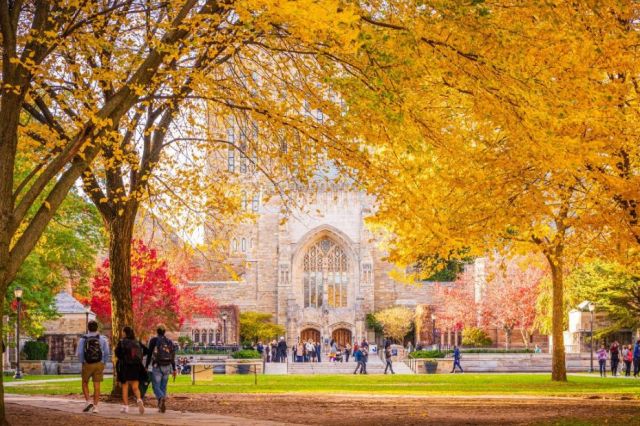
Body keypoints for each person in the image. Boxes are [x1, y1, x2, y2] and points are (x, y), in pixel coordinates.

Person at [77, 320, 110, 413]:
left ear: (88, 328)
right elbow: (107, 352)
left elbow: (79, 353)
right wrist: (104, 362)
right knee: (97, 385)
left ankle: (88, 401)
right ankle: (95, 407)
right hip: (99, 363)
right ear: (97, 328)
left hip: (87, 363)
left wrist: (82, 362)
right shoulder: (102, 338)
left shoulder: (83, 339)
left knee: (84, 382)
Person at [146, 325, 176, 413]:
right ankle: (161, 405)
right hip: (167, 366)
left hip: (157, 366)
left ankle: (161, 397)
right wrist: (174, 368)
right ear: (164, 331)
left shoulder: (154, 340)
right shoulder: (169, 341)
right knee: (163, 386)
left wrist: (146, 365)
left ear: (157, 331)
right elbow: (172, 355)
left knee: (155, 386)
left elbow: (149, 354)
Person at [115, 326, 146, 414]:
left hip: (125, 366)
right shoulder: (136, 342)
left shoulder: (122, 342)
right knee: (135, 387)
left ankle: (126, 406)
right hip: (136, 366)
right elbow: (146, 350)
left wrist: (122, 358)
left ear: (125, 333)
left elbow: (117, 353)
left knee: (125, 387)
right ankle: (139, 400)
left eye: (122, 332)